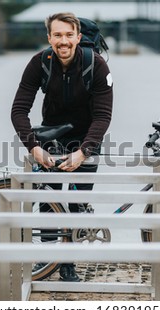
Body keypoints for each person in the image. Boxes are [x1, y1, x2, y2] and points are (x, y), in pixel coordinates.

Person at [11, 12, 113, 282]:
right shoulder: (39, 62)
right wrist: (34, 148)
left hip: (86, 138)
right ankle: (47, 258)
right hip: (50, 135)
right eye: (57, 35)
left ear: (79, 37)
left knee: (77, 202)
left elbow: (103, 116)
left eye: (69, 35)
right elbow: (19, 110)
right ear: (49, 38)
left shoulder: (97, 65)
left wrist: (83, 153)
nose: (63, 41)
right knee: (48, 201)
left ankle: (68, 262)